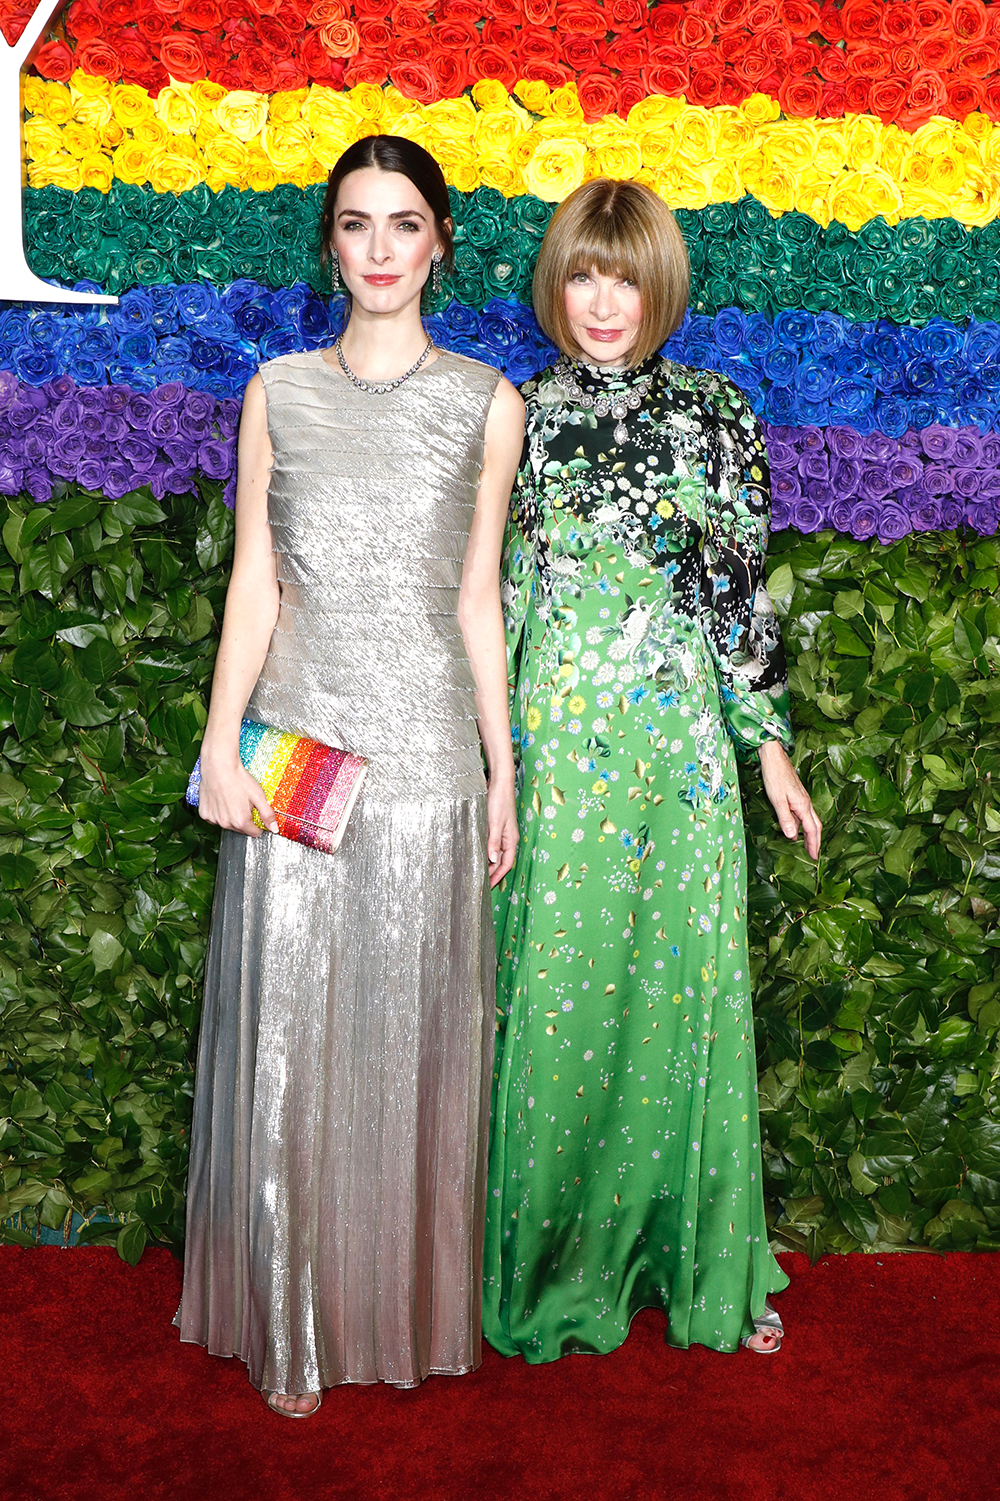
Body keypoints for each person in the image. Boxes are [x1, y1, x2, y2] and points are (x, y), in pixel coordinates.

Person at [175, 135, 523, 1415]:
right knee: (290, 1043)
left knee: (406, 1044)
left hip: (430, 756)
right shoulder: (277, 388)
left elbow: (478, 598)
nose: (379, 249)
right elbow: (255, 581)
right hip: (296, 752)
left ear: (440, 242)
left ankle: (396, 1306)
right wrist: (219, 743)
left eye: (404, 224)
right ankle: (293, 1315)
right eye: (356, 224)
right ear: (330, 243)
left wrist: (502, 770)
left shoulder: (491, 400)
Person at [484, 178, 821, 1365]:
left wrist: (766, 747)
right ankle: (543, 1266)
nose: (603, 300)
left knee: (679, 996)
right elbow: (497, 602)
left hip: (677, 753)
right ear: (555, 284)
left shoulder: (718, 414)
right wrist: (492, 764)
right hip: (556, 748)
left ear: (658, 284)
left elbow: (735, 592)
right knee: (558, 998)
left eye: (623, 275)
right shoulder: (512, 415)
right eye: (583, 273)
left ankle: (693, 1256)